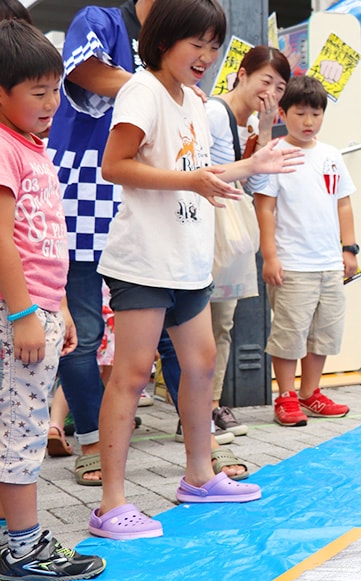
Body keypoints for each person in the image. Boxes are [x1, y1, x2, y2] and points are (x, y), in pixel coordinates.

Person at [88, 0, 303, 540]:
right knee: (133, 375)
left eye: (214, 45)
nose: (207, 55)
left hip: (188, 260)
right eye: (197, 44)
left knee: (202, 365)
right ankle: (111, 503)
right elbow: (116, 166)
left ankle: (200, 475)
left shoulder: (191, 100)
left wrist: (251, 165)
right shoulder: (143, 90)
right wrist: (195, 182)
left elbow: (199, 171)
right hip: (145, 261)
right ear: (163, 42)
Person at [44, 0, 198, 487]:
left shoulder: (179, 45)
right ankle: (90, 438)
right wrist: (153, 86)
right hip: (86, 189)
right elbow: (85, 71)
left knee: (178, 329)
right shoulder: (101, 19)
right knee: (84, 332)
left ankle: (201, 450)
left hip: (151, 194)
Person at [0, 18, 105, 581]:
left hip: (38, 307)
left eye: (54, 90)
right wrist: (22, 313)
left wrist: (59, 306)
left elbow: (47, 241)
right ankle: (22, 547)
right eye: (36, 92)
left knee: (19, 421)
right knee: (20, 429)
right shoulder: (4, 149)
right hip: (15, 313)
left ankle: (12, 537)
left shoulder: (33, 149)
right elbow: (2, 241)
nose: (50, 103)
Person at [254, 75, 357, 427]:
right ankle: (285, 396)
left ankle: (310, 393)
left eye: (316, 114)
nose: (309, 122)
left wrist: (350, 249)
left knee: (323, 333)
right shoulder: (276, 154)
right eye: (300, 114)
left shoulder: (331, 156)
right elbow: (264, 207)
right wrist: (270, 256)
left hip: (329, 263)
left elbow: (344, 204)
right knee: (289, 334)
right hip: (292, 264)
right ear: (283, 113)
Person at [205, 45, 290, 447]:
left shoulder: (252, 127)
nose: (271, 90)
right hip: (207, 231)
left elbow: (257, 186)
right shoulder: (213, 114)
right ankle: (196, 410)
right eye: (266, 81)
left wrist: (267, 128)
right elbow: (205, 174)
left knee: (222, 325)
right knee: (196, 326)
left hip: (232, 235)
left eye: (280, 86)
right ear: (242, 74)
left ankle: (210, 405)